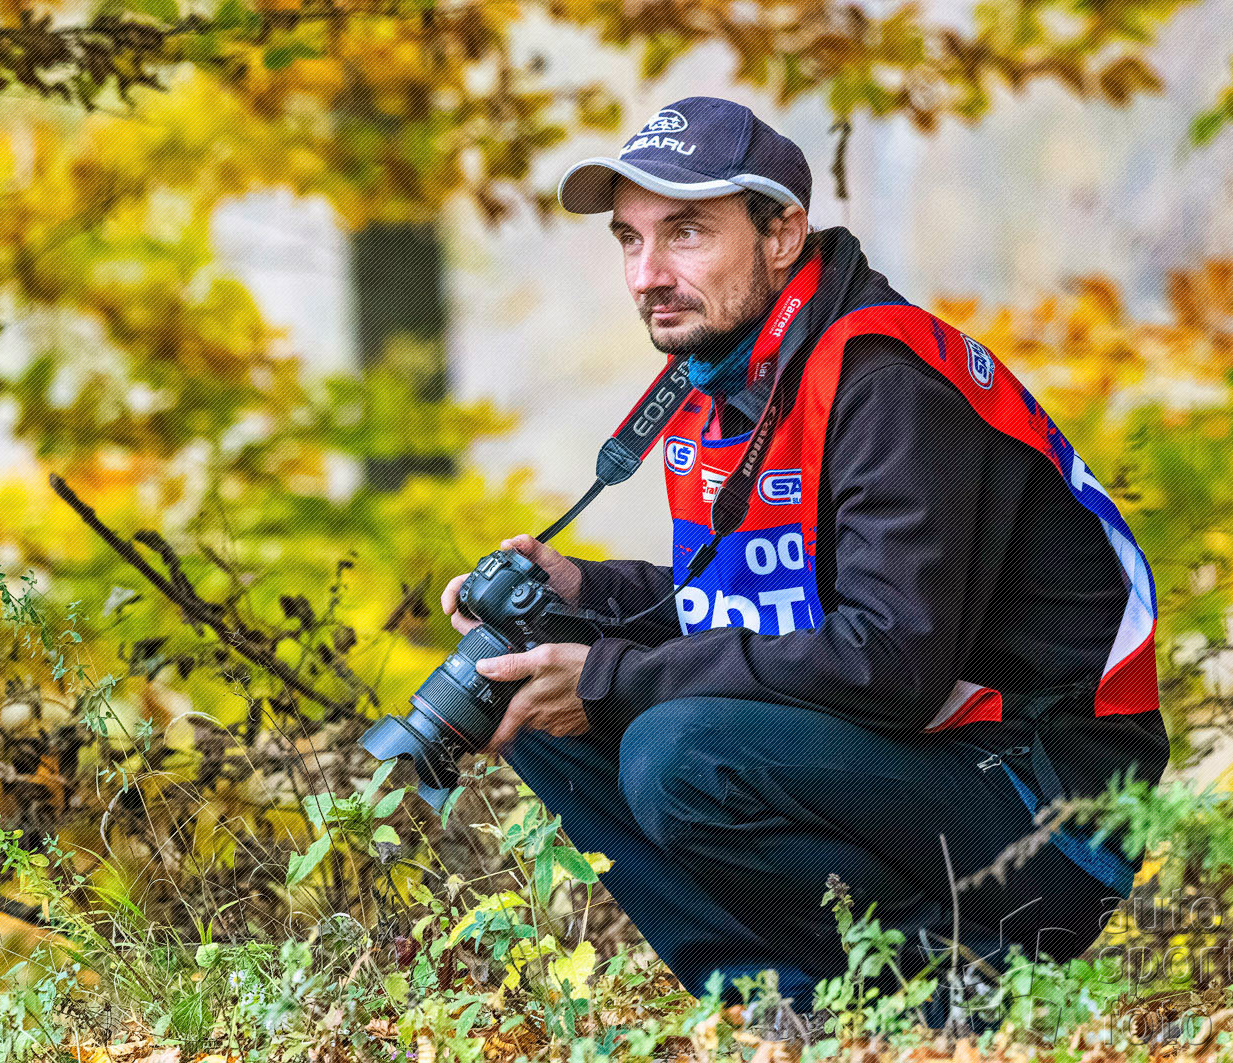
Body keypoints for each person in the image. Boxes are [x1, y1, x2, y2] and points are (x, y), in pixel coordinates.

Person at [439, 96, 1169, 1021]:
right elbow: (755, 608)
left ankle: (958, 994)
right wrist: (586, 595)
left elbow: (886, 662)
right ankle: (776, 1005)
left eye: (685, 233)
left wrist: (611, 676)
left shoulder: (886, 381)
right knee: (531, 686)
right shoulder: (730, 378)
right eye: (629, 239)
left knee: (675, 748)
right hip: (920, 770)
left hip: (1046, 812)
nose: (646, 274)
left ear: (782, 233)